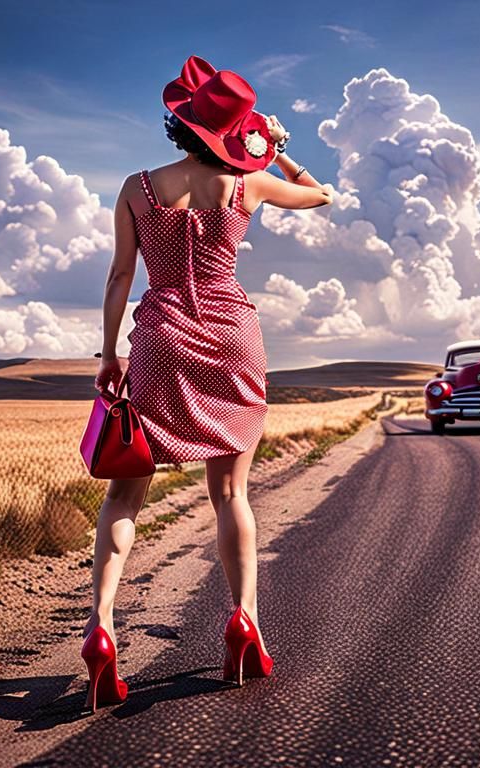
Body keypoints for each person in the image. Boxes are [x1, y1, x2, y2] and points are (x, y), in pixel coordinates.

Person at [82, 55, 331, 711]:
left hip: (160, 339)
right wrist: (276, 151)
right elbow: (324, 194)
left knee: (125, 496)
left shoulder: (138, 186)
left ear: (179, 122)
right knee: (231, 493)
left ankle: (101, 630)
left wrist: (108, 355)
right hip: (232, 340)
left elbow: (118, 278)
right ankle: (244, 621)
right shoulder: (247, 184)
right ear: (233, 133)